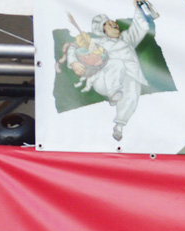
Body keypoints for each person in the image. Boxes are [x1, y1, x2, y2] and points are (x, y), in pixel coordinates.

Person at [62, 1, 157, 141]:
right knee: (116, 63)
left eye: (115, 23)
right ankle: (113, 92)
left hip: (126, 79)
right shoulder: (96, 43)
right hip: (103, 81)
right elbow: (73, 47)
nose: (115, 25)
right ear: (103, 30)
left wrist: (138, 9)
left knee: (133, 88)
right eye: (110, 24)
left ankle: (119, 125)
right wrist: (74, 62)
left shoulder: (127, 39)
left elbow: (141, 27)